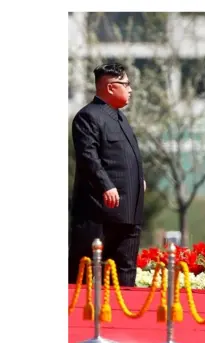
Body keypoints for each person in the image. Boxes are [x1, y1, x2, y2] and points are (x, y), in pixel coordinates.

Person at [69, 62, 145, 287]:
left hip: (128, 209)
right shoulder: (88, 117)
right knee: (87, 271)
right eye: (126, 84)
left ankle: (123, 319)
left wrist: (138, 180)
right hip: (99, 213)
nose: (130, 89)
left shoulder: (120, 118)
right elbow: (89, 158)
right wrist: (106, 186)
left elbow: (123, 158)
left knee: (124, 270)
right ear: (111, 87)